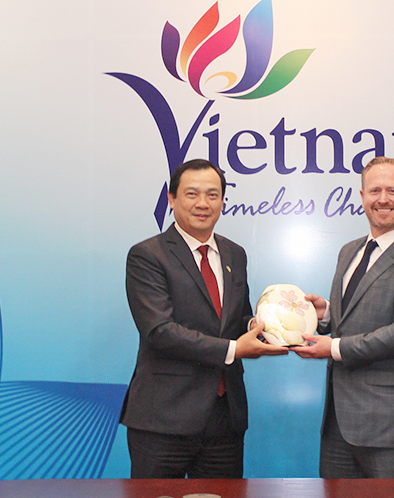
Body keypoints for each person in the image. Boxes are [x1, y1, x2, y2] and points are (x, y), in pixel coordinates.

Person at [119, 158, 287, 478]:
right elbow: (160, 331)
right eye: (192, 193)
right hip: (163, 419)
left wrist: (258, 326)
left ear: (222, 201)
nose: (203, 203)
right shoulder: (147, 255)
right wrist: (235, 349)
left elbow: (237, 318)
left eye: (212, 195)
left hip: (224, 419)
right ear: (171, 199)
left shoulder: (234, 253)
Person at [293, 156, 394, 478]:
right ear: (362, 197)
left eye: (393, 191)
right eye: (375, 191)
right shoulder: (349, 251)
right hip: (339, 426)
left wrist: (334, 347)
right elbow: (360, 315)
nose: (383, 199)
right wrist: (327, 314)